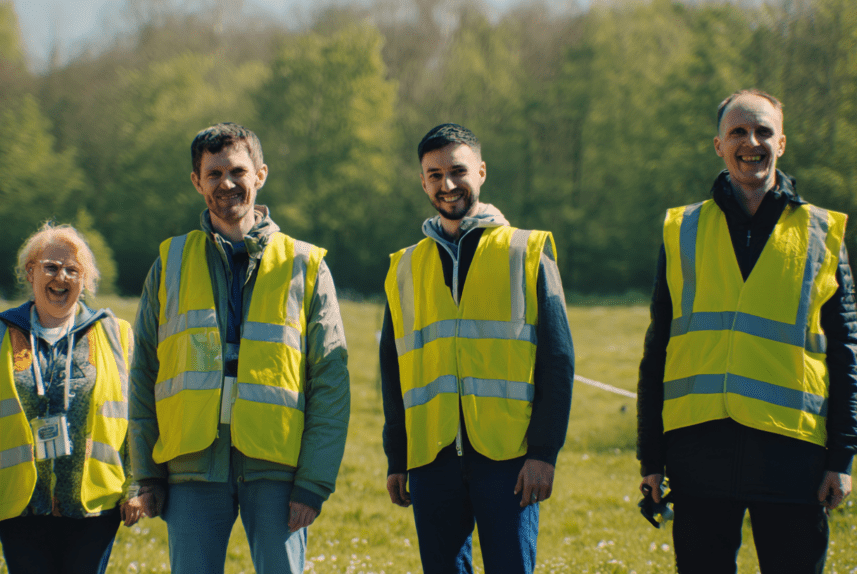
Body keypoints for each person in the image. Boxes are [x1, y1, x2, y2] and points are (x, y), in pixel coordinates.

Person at [636, 89, 857, 574]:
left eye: (763, 131)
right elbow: (658, 348)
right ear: (718, 145)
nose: (751, 142)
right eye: (738, 131)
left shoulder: (822, 232)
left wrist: (841, 458)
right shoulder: (682, 230)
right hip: (699, 454)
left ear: (782, 142)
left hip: (792, 455)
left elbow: (847, 351)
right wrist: (651, 459)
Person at [127, 122, 350, 574]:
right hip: (191, 467)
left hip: (276, 468)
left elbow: (330, 380)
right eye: (213, 174)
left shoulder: (305, 265)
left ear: (260, 174)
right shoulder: (169, 262)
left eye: (237, 171)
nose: (226, 183)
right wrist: (146, 473)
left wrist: (313, 481)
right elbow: (143, 372)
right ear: (196, 182)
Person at [380, 123, 575, 573]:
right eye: (434, 174)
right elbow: (393, 371)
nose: (446, 185)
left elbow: (558, 360)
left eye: (457, 171)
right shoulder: (404, 267)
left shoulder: (526, 252)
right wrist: (398, 456)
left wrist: (544, 453)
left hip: (508, 456)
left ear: (481, 172)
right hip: (432, 457)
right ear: (422, 180)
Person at [0, 222, 139, 574]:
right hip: (19, 503)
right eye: (51, 267)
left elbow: (139, 417)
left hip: (94, 504)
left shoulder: (117, 334)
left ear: (84, 280)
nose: (62, 277)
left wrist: (136, 485)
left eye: (73, 269)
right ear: (31, 272)